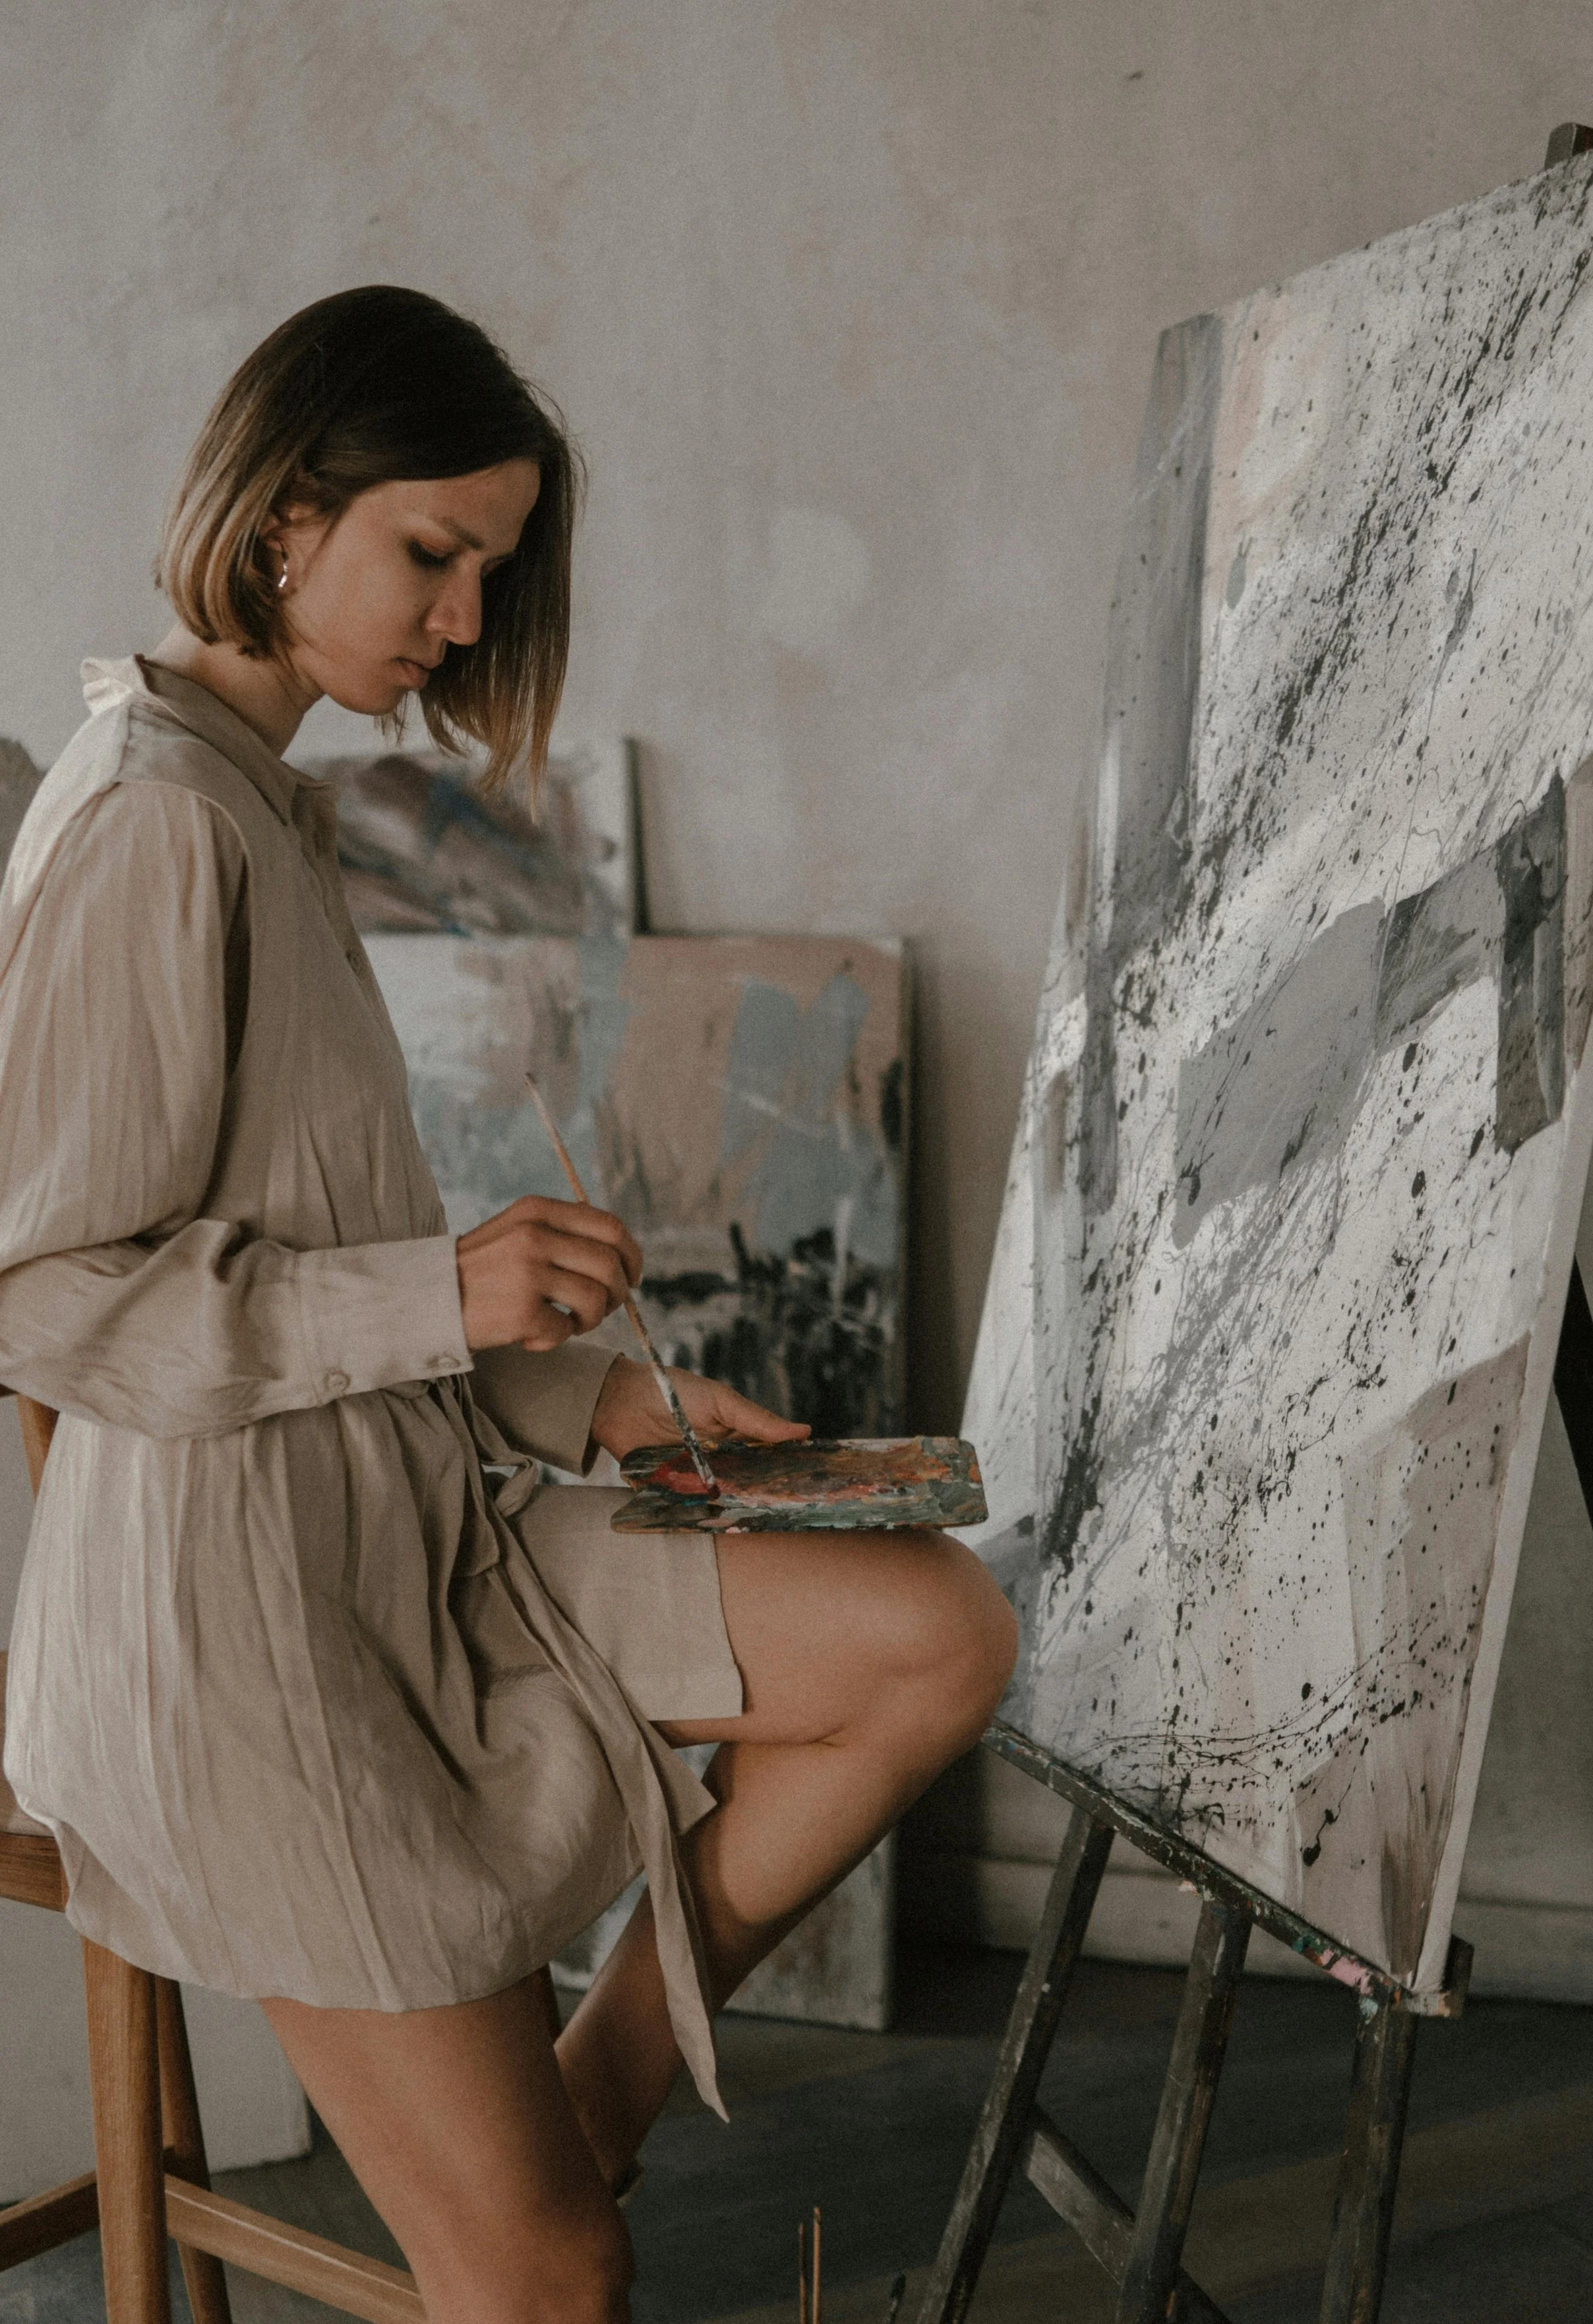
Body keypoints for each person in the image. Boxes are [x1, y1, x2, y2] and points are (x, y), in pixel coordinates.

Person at [0, 286, 1016, 2324]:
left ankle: (577, 2114)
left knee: (927, 1631)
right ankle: (539, 2220)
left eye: (494, 566)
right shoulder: (149, 820)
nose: (464, 620)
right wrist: (444, 1288)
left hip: (417, 1521)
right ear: (282, 519)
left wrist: (583, 1395)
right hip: (243, 1624)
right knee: (550, 2287)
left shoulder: (266, 795)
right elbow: (41, 1293)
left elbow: (317, 1268)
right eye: (432, 554)